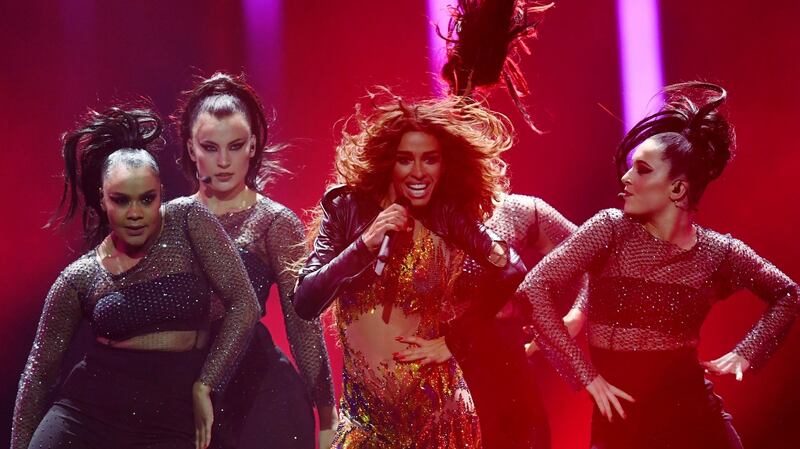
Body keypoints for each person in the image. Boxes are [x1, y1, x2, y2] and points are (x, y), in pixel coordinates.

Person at [523, 82, 799, 449]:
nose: (626, 177)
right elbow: (535, 288)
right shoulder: (609, 228)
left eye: (642, 169)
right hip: (621, 425)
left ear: (678, 190)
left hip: (697, 422)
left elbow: (788, 293)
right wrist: (586, 376)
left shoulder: (719, 252)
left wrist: (746, 353)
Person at [11, 106, 260, 449]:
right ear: (102, 199)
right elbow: (39, 371)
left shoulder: (188, 220)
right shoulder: (80, 276)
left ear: (161, 192)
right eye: (121, 200)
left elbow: (244, 304)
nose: (135, 214)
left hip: (173, 417)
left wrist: (206, 383)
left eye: (147, 199)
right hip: (88, 416)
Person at [293, 91, 526, 448]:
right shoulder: (346, 208)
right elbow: (306, 300)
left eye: (429, 160)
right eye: (406, 160)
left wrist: (455, 340)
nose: (418, 172)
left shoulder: (447, 215)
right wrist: (365, 244)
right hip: (364, 417)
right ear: (389, 162)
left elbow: (511, 266)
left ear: (443, 166)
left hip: (439, 411)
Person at [174, 72, 337, 449]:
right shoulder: (170, 220)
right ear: (190, 148)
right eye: (210, 147)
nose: (224, 161)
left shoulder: (274, 223)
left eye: (235, 145)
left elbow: (303, 326)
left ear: (253, 146)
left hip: (263, 399)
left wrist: (327, 415)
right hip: (183, 395)